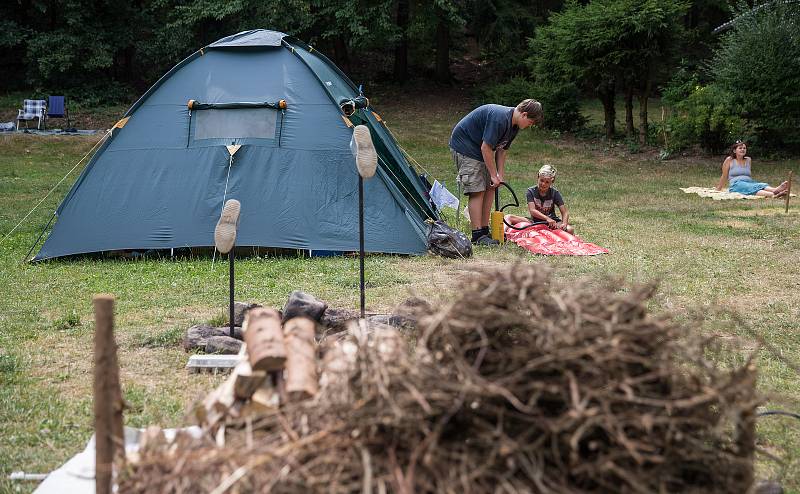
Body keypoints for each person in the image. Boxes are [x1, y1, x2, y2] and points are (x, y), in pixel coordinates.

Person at [450, 99, 543, 246]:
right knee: (477, 190)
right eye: (530, 122)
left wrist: (499, 174)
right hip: (466, 147)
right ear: (524, 114)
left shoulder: (514, 126)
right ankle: (477, 235)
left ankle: (484, 230)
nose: (529, 126)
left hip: (480, 149)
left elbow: (501, 149)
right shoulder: (499, 118)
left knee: (491, 187)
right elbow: (486, 148)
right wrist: (493, 174)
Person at [504, 164, 573, 234]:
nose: (543, 184)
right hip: (534, 221)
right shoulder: (531, 191)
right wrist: (546, 218)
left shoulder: (555, 193)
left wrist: (564, 223)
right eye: (542, 180)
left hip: (552, 222)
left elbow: (565, 212)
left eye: (547, 182)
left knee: (569, 229)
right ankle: (502, 235)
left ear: (552, 182)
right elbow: (532, 210)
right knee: (508, 217)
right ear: (538, 177)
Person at [716, 141, 788, 197]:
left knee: (760, 184)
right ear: (734, 151)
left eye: (744, 148)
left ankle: (774, 190)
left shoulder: (748, 160)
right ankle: (773, 195)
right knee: (748, 187)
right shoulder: (729, 160)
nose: (743, 150)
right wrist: (719, 189)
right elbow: (724, 175)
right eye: (740, 148)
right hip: (736, 184)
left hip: (749, 182)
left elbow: (748, 175)